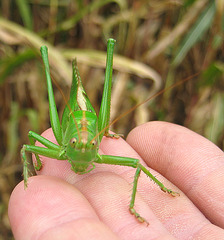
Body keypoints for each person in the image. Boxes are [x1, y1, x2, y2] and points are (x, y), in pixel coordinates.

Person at [9, 122, 224, 239]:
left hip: (92, 129)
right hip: (71, 131)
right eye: (76, 146)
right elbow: (29, 142)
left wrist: (160, 187)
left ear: (97, 146)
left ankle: (133, 205)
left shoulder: (96, 146)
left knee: (134, 164)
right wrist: (36, 164)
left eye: (92, 147)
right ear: (70, 144)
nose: (84, 154)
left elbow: (136, 165)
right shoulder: (63, 147)